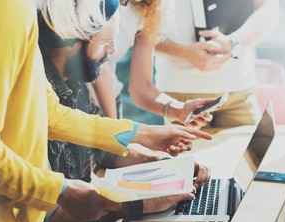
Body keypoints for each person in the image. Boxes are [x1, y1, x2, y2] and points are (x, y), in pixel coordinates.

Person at [0, 0, 211, 222]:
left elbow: (50, 114)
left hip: (10, 216)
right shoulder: (3, 11)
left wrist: (143, 134)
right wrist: (61, 190)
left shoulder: (15, 10)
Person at [90, 0, 217, 128]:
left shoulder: (150, 8)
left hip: (109, 98)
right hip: (79, 100)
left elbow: (142, 86)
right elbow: (98, 64)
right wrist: (114, 129)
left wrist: (180, 109)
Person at [154, 0, 279, 128]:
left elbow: (270, 10)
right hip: (181, 94)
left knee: (252, 147)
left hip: (238, 90)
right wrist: (184, 53)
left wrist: (235, 41)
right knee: (191, 148)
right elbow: (139, 29)